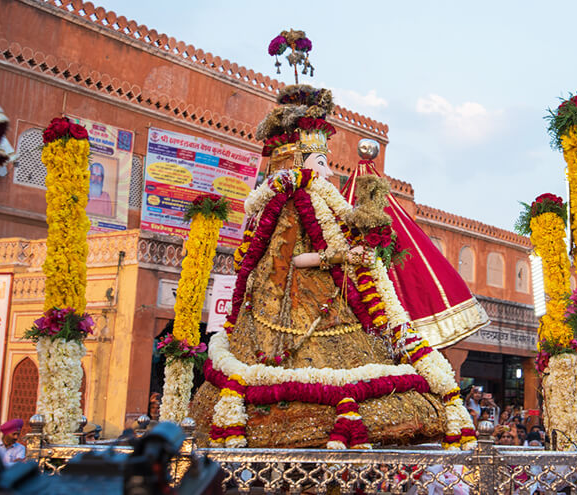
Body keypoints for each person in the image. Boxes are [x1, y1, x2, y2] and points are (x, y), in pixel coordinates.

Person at [188, 85, 464, 448]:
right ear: (298, 164)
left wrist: (364, 243)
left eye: (327, 163)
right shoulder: (289, 204)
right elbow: (294, 261)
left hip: (333, 305)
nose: (329, 174)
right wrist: (340, 257)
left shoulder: (326, 203)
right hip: (293, 315)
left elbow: (344, 241)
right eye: (321, 164)